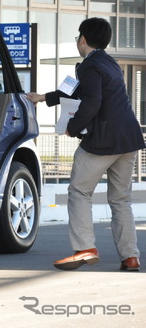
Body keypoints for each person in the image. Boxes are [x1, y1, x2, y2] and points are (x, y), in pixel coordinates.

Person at [27, 17, 142, 272]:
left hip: (103, 140)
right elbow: (77, 91)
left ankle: (84, 249)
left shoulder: (89, 65)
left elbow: (92, 102)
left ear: (82, 39)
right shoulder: (109, 63)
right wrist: (43, 97)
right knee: (121, 200)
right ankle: (130, 256)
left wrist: (72, 127)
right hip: (128, 138)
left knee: (79, 192)